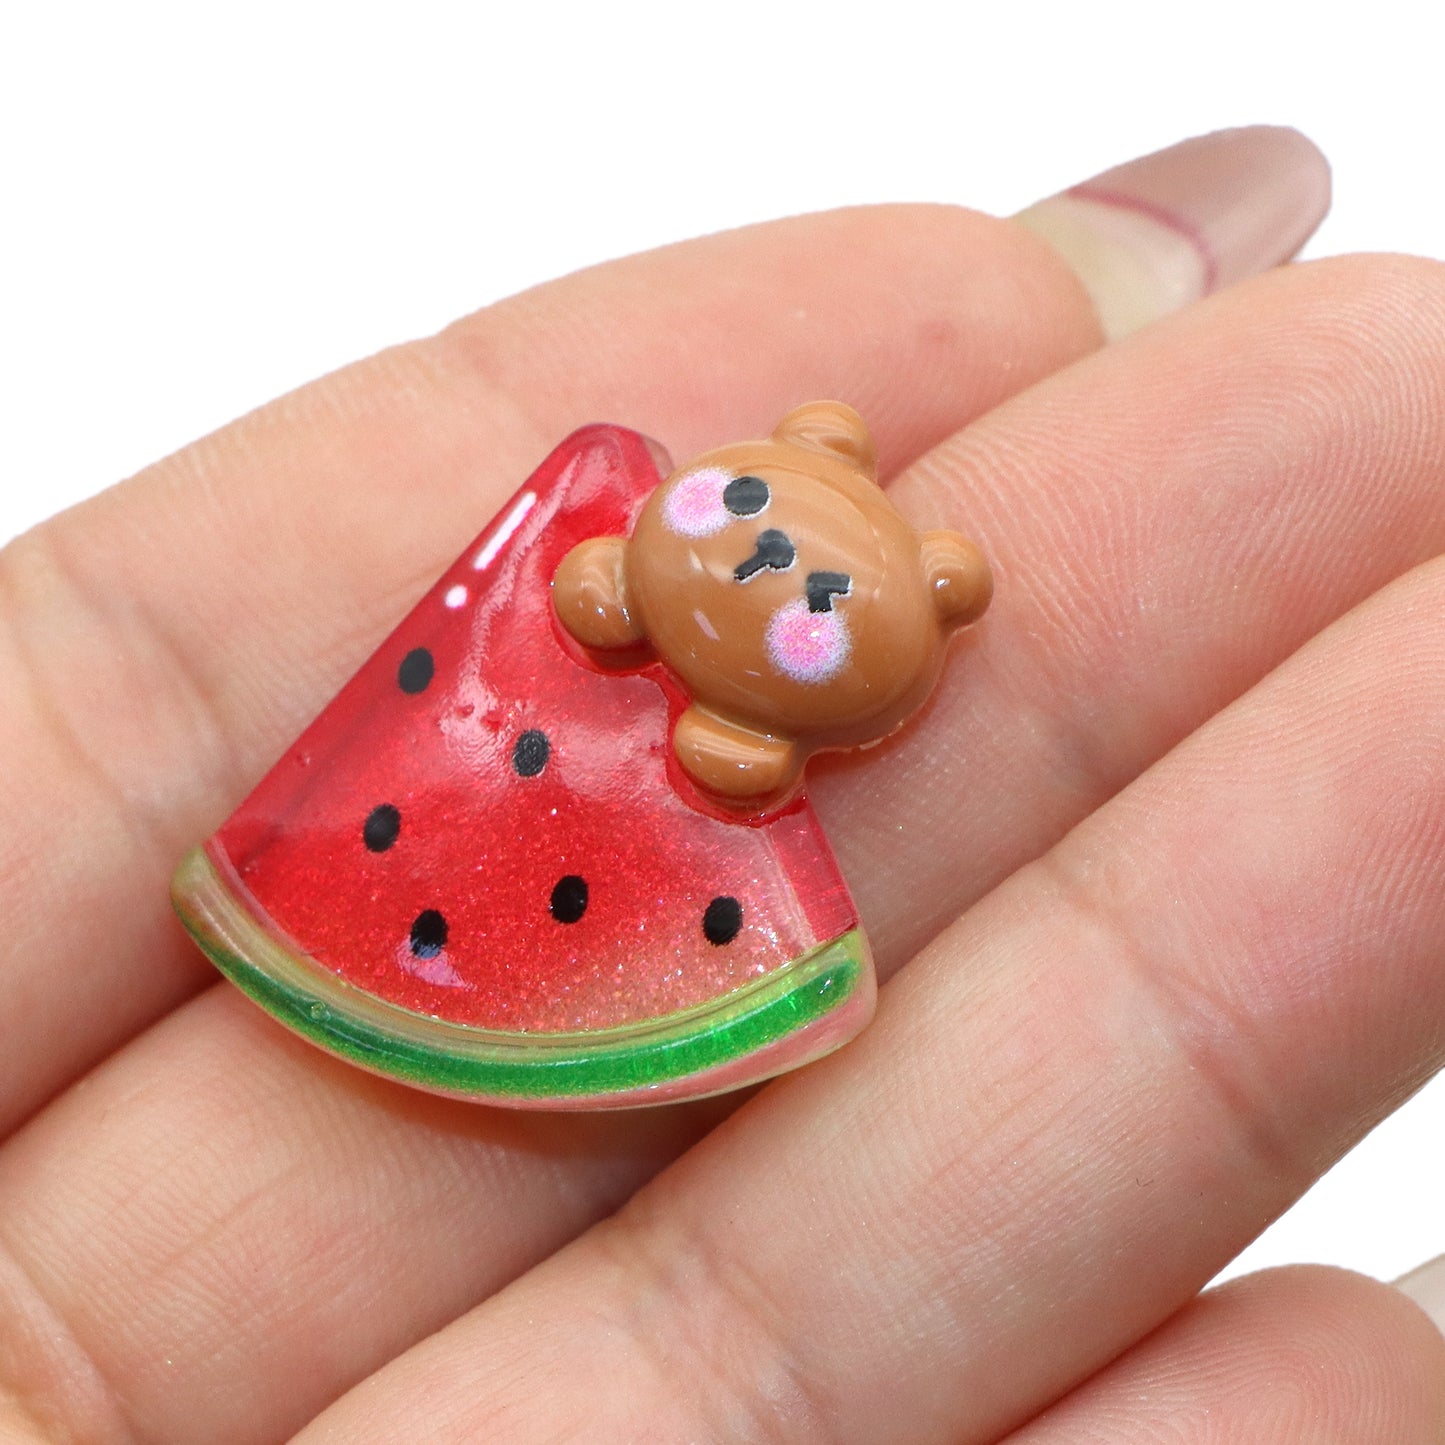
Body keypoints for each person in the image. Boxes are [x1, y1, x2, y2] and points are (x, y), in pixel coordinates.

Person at [3, 125, 1444, 1442]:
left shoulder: (755, 731)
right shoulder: (600, 539)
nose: (762, 565)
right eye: (747, 516)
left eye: (814, 599)